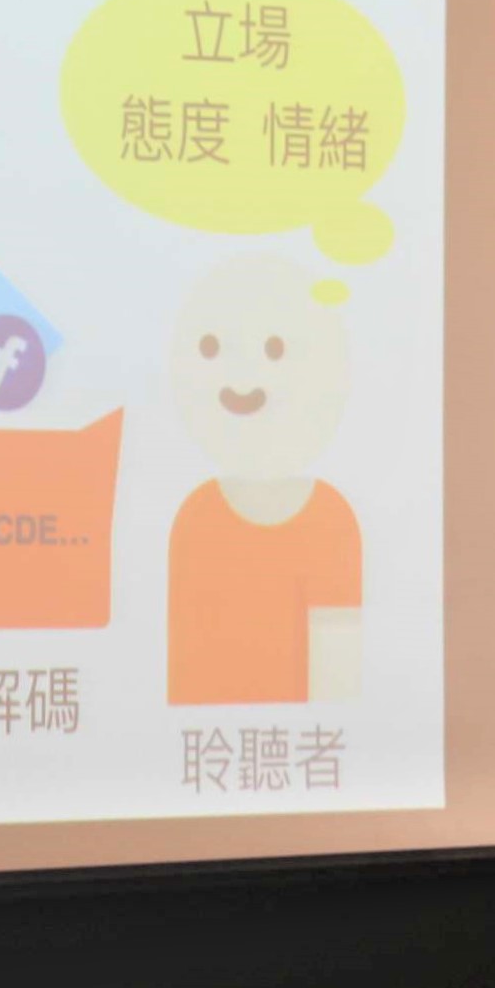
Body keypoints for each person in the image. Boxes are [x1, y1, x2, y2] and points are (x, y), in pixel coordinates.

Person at [164, 253, 364, 705]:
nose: (242, 376)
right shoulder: (194, 519)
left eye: (275, 350)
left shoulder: (332, 520)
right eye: (211, 348)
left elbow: (340, 678)